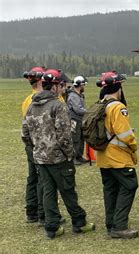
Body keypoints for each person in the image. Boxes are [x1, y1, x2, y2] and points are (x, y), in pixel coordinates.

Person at [21, 68, 95, 239]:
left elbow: (24, 133)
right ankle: (79, 222)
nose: (62, 88)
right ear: (53, 87)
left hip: (40, 158)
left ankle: (52, 226)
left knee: (48, 191)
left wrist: (36, 149)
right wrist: (69, 154)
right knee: (68, 191)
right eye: (61, 85)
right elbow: (64, 135)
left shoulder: (32, 105)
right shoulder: (58, 106)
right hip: (58, 158)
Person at [95, 71, 139, 239]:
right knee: (129, 185)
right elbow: (125, 134)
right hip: (118, 157)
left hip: (103, 157)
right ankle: (119, 225)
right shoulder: (117, 107)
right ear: (118, 87)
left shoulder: (101, 103)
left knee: (110, 189)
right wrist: (134, 145)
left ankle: (110, 223)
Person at [21, 66, 46, 224]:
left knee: (32, 177)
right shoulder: (40, 100)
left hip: (30, 143)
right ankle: (42, 211)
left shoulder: (27, 100)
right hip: (40, 144)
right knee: (42, 178)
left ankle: (32, 211)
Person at [67, 76, 88, 165]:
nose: (84, 87)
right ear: (80, 85)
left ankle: (79, 156)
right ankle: (73, 158)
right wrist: (89, 112)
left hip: (79, 120)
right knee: (75, 139)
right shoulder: (73, 96)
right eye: (83, 85)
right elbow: (78, 110)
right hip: (74, 120)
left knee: (81, 138)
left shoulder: (79, 95)